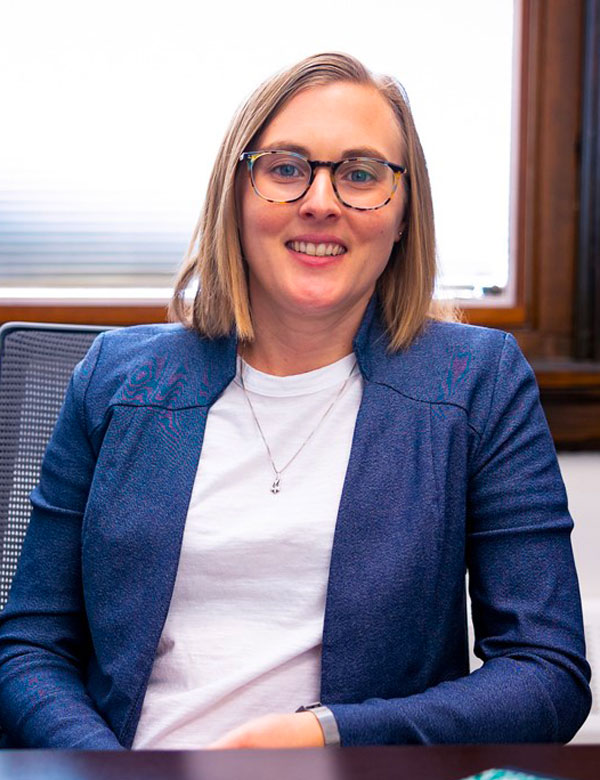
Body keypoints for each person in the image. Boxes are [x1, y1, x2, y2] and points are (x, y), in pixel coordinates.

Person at [0, 52, 591, 750]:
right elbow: (29, 650)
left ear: (403, 216)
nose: (320, 201)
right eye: (285, 168)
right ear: (237, 196)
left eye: (361, 175)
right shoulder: (116, 378)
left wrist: (329, 738)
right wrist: (117, 774)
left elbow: (544, 674)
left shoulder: (476, 381)